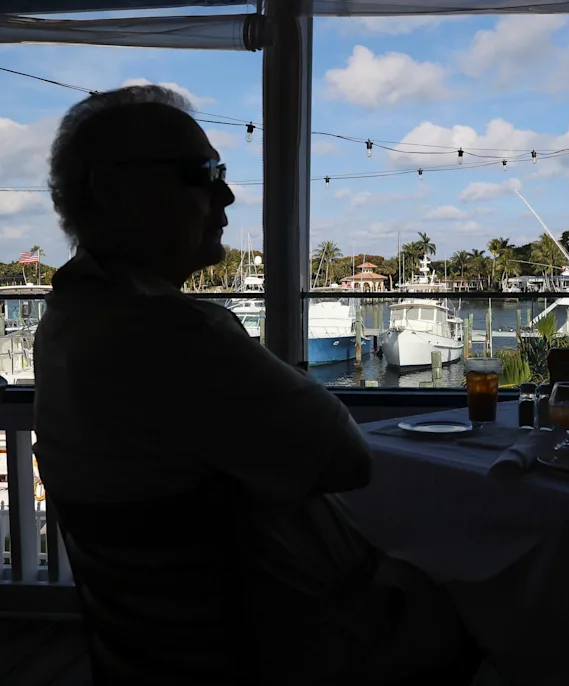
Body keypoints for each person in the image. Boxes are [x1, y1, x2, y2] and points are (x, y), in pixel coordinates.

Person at [33, 85, 475, 685]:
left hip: (147, 652)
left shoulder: (68, 319)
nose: (227, 194)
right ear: (114, 191)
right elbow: (347, 459)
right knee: (500, 593)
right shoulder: (174, 333)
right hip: (291, 649)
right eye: (201, 173)